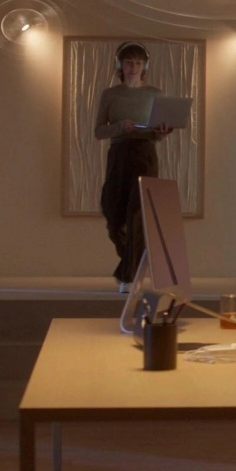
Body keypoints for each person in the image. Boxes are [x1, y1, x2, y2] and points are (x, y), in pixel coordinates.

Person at [94, 42, 172, 292]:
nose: (133, 67)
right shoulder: (110, 94)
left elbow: (159, 132)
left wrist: (162, 131)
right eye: (129, 62)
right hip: (119, 154)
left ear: (144, 66)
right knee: (113, 216)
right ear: (120, 65)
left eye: (138, 63)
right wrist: (120, 127)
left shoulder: (155, 94)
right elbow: (99, 131)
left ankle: (129, 277)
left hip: (145, 154)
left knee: (137, 216)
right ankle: (134, 264)